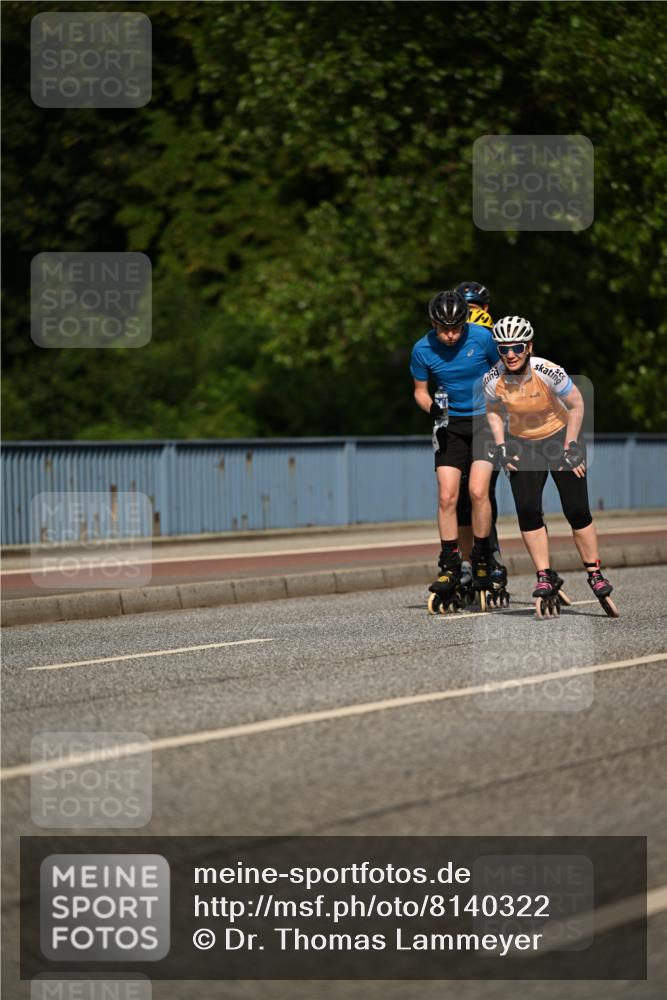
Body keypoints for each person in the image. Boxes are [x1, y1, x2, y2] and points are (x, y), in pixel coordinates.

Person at [481, 314, 618, 616]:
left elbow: (578, 404)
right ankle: (544, 575)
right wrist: (501, 445)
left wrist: (571, 447)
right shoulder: (493, 380)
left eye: (517, 347)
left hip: (559, 436)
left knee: (576, 509)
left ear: (528, 346)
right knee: (528, 510)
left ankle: (594, 573)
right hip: (521, 441)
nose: (511, 354)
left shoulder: (547, 371)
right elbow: (492, 411)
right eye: (503, 349)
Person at [411, 289, 506, 605]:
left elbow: (505, 375)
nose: (451, 335)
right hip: (449, 425)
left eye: (456, 327)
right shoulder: (422, 349)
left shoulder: (482, 338)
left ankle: (481, 557)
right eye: (444, 328)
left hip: (484, 422)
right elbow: (420, 392)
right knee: (447, 495)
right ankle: (451, 564)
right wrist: (432, 409)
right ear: (433, 323)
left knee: (478, 492)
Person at [454, 281, 502, 585]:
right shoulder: (451, 330)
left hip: (488, 419)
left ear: (484, 308)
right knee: (458, 496)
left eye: (474, 306)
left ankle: (489, 553)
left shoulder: (491, 334)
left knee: (481, 492)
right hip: (456, 420)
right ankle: (465, 560)